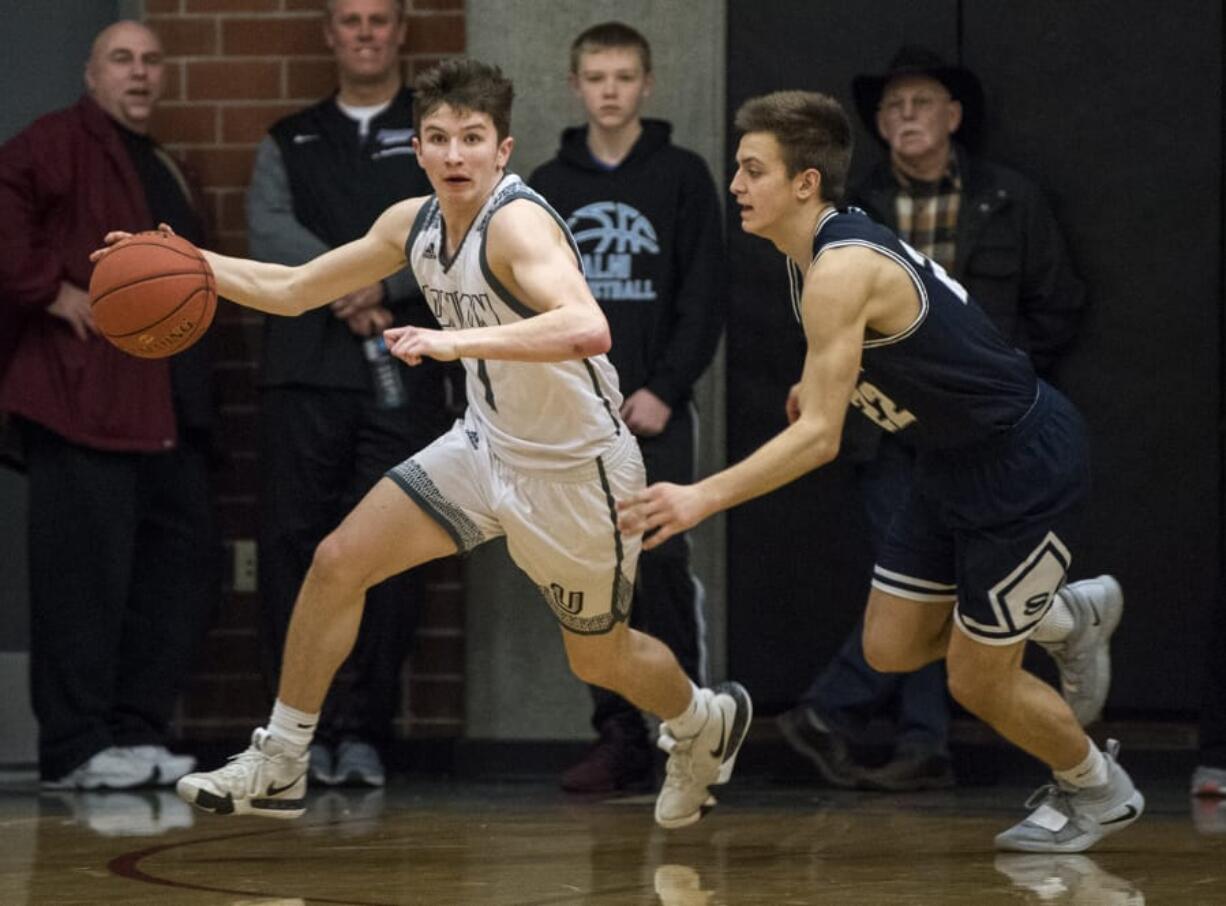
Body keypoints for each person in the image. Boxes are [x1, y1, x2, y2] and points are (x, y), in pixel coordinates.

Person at [95, 58, 751, 831]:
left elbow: (587, 327)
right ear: (418, 147)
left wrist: (450, 343)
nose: (454, 154)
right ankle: (281, 759)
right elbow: (297, 287)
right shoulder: (412, 224)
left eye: (472, 138)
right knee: (338, 561)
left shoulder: (519, 224)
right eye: (438, 137)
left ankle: (702, 722)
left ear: (502, 150)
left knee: (598, 657)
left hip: (577, 473)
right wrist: (192, 263)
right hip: (482, 448)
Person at [619, 89, 1143, 852]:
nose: (736, 185)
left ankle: (1099, 787)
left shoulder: (838, 267)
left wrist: (701, 495)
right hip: (948, 460)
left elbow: (821, 441)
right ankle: (1062, 616)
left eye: (752, 169)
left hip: (1022, 462)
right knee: (890, 648)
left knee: (975, 677)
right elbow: (879, 347)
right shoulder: (813, 258)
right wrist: (825, 382)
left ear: (805, 182)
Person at [778, 45, 1106, 793]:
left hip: (996, 427)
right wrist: (826, 386)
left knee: (970, 620)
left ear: (953, 116)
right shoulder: (851, 213)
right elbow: (836, 329)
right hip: (890, 432)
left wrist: (993, 373)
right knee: (907, 612)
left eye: (920, 103)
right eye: (891, 107)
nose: (905, 117)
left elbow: (1057, 297)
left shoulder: (1008, 197)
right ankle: (931, 722)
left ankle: (931, 739)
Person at [0, 21, 218, 790]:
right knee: (80, 586)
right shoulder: (55, 142)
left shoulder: (164, 164)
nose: (140, 73)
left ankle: (131, 732)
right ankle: (74, 748)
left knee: (172, 575)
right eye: (122, 59)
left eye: (151, 60)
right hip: (79, 402)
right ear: (92, 74)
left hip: (163, 412)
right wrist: (47, 290)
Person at [247, 0, 456, 789]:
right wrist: (348, 286)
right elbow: (266, 231)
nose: (365, 32)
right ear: (330, 34)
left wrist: (381, 282)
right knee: (295, 547)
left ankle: (364, 730)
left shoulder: (436, 132)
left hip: (401, 374)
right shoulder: (288, 137)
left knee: (387, 554)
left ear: (400, 32)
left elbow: (455, 226)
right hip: (304, 373)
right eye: (350, 20)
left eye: (379, 19)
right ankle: (299, 733)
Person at [528, 21, 725, 794]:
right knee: (586, 574)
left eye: (624, 77)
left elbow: (702, 296)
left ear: (647, 84)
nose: (610, 90)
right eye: (596, 77)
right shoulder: (548, 185)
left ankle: (691, 732)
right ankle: (619, 736)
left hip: (655, 410)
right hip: (571, 418)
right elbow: (529, 301)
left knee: (664, 564)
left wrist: (666, 388)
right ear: (575, 86)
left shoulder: (682, 177)